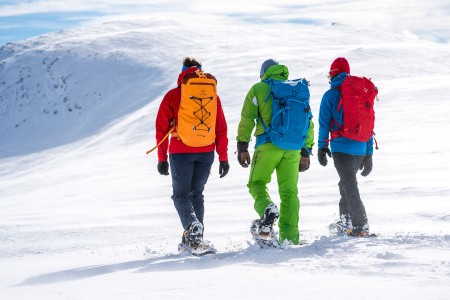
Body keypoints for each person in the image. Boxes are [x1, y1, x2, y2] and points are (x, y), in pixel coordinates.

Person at [236, 59, 315, 246]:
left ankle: (267, 210)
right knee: (289, 193)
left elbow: (247, 118)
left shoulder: (259, 88)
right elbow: (308, 121)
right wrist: (306, 151)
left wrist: (242, 147)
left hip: (268, 145)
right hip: (293, 148)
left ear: (263, 73)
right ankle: (290, 238)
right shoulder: (297, 90)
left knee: (256, 183)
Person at [155, 57, 229, 251]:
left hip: (181, 151)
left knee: (181, 195)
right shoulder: (213, 96)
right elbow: (221, 128)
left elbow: (161, 128)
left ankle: (191, 227)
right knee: (197, 194)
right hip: (206, 151)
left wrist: (162, 158)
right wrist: (223, 157)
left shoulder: (173, 95)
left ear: (182, 73)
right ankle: (195, 240)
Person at [317, 57, 374, 237]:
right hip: (360, 148)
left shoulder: (330, 95)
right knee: (345, 184)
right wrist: (369, 153)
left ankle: (360, 226)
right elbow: (369, 124)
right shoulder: (360, 93)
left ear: (332, 74)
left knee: (350, 186)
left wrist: (321, 147)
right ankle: (346, 222)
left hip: (341, 149)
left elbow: (324, 124)